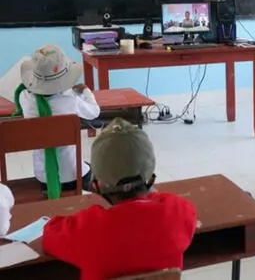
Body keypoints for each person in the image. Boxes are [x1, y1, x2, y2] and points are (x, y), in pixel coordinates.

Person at [42, 118, 197, 279]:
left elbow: (49, 235)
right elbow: (166, 202)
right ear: (149, 175)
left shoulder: (88, 229)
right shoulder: (178, 211)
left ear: (98, 184)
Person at [14, 44, 100, 199]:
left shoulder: (24, 99)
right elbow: (94, 112)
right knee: (92, 167)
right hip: (76, 176)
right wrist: (86, 92)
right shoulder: (71, 100)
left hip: (44, 178)